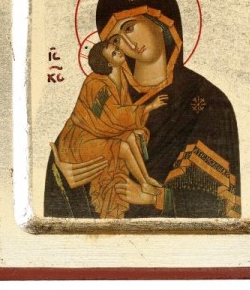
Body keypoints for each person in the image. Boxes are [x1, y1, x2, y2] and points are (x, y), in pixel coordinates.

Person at [44, 0, 241, 218]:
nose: (128, 43)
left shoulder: (207, 100)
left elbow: (223, 203)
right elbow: (76, 136)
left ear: (161, 21)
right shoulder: (107, 92)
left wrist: (155, 198)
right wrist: (61, 176)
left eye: (130, 27)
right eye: (116, 39)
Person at [53, 40, 167, 219]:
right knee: (122, 148)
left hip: (99, 131)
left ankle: (145, 179)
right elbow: (111, 116)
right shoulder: (96, 84)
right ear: (107, 63)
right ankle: (144, 184)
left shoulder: (120, 77)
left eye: (117, 49)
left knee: (131, 137)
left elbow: (120, 114)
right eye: (114, 53)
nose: (119, 52)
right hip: (80, 139)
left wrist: (134, 126)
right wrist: (148, 107)